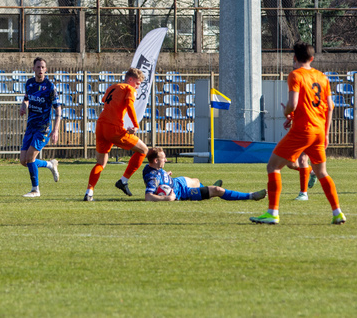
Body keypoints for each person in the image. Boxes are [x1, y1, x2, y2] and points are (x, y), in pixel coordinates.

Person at [251, 42, 346, 225]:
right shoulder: (322, 77)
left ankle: (272, 213)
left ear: (294, 58)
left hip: (303, 130)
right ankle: (337, 212)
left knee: (273, 167)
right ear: (312, 59)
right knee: (322, 173)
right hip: (318, 130)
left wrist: (287, 113)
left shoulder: (295, 75)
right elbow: (330, 107)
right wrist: (326, 134)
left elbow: (293, 104)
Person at [83, 67, 148, 201]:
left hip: (101, 126)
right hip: (114, 128)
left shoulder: (112, 87)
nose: (138, 87)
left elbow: (106, 102)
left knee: (101, 162)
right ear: (130, 79)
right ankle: (123, 181)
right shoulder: (130, 89)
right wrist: (135, 125)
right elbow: (130, 106)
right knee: (143, 150)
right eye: (137, 83)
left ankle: (89, 192)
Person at [143, 147, 266, 202]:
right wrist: (168, 198)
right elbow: (148, 196)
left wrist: (165, 175)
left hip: (177, 182)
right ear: (155, 160)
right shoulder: (152, 178)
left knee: (196, 180)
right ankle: (250, 196)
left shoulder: (153, 169)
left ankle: (207, 191)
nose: (165, 160)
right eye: (163, 158)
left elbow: (157, 175)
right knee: (217, 190)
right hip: (183, 192)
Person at [17, 57, 61, 198]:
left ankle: (35, 190)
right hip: (31, 126)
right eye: (38, 67)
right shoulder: (29, 84)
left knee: (30, 158)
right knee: (24, 161)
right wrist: (24, 106)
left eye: (43, 67)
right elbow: (26, 99)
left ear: (46, 70)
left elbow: (58, 110)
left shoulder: (50, 87)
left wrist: (55, 130)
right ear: (33, 69)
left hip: (43, 127)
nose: (40, 70)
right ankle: (50, 165)